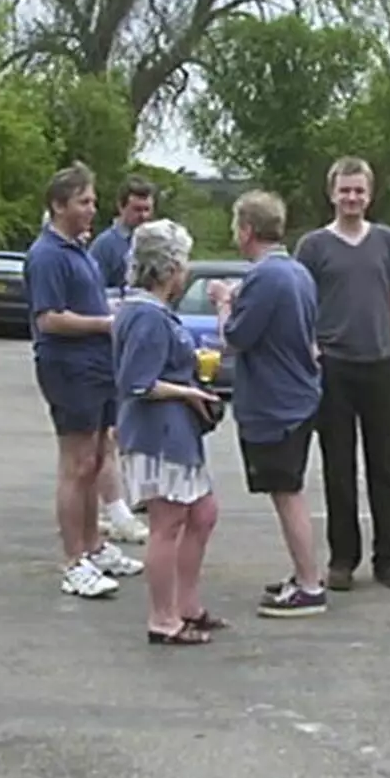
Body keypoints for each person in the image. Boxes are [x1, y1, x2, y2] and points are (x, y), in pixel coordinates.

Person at [23, 163, 145, 598]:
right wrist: (106, 323)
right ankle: (73, 561)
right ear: (58, 205)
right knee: (76, 465)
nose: (91, 209)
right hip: (68, 368)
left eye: (93, 201)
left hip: (97, 367)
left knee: (96, 459)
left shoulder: (78, 249)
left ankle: (94, 546)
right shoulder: (47, 255)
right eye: (83, 201)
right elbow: (50, 319)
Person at [295, 156, 390, 592]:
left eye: (358, 190)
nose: (351, 198)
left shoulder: (387, 242)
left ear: (370, 194)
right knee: (337, 467)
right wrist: (310, 349)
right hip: (333, 367)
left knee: (385, 467)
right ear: (332, 194)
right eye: (344, 190)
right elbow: (300, 301)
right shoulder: (313, 247)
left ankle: (389, 558)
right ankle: (343, 557)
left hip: (381, 364)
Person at [213, 190, 328, 619]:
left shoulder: (265, 277)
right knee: (288, 489)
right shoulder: (297, 272)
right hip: (299, 395)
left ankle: (310, 585)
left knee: (286, 492)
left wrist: (225, 302)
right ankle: (302, 575)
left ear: (246, 230)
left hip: (276, 403)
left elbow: (235, 338)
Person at [112, 220, 222, 644]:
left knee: (202, 512)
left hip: (175, 433)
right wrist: (190, 393)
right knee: (168, 522)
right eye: (182, 263)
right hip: (158, 433)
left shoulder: (148, 312)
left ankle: (187, 605)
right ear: (168, 268)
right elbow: (136, 381)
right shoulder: (146, 316)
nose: (186, 271)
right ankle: (163, 618)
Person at [89, 176, 158, 545]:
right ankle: (114, 508)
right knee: (110, 433)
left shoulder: (153, 243)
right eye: (137, 209)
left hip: (142, 345)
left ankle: (134, 497)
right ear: (121, 208)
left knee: (137, 426)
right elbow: (95, 295)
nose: (143, 216)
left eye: (148, 209)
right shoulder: (106, 246)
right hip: (113, 347)